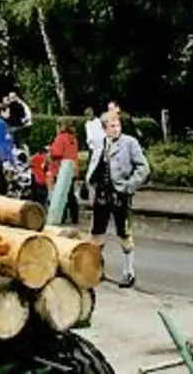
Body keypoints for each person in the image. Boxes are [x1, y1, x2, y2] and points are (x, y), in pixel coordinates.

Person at [87, 111, 149, 287]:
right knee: (96, 234)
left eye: (118, 126)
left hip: (120, 195)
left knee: (123, 233)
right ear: (104, 129)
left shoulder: (130, 143)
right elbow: (94, 166)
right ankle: (97, 269)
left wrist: (129, 186)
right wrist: (89, 184)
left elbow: (143, 168)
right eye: (112, 126)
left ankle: (129, 272)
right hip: (101, 195)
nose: (116, 129)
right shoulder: (100, 144)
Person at [48, 116, 82, 223]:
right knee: (70, 193)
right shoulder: (74, 138)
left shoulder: (60, 138)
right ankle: (75, 216)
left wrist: (50, 151)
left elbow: (57, 153)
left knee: (60, 193)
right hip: (71, 168)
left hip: (60, 168)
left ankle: (61, 216)